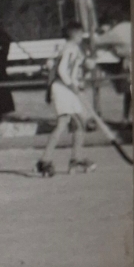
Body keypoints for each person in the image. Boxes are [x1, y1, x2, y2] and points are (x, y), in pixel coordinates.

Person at [37, 22, 91, 177]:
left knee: (81, 122)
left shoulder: (73, 48)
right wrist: (70, 85)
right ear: (73, 35)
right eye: (80, 34)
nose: (82, 36)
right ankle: (45, 160)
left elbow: (72, 70)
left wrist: (78, 82)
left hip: (68, 88)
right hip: (62, 88)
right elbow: (61, 70)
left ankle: (76, 158)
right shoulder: (69, 48)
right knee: (63, 123)